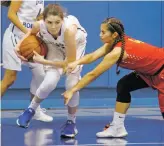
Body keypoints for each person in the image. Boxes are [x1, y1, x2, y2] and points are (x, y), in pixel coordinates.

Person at [63, 17, 164, 138]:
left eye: (103, 32)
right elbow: (92, 56)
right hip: (149, 72)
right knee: (124, 85)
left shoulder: (117, 52)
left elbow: (93, 74)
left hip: (161, 71)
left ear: (114, 34)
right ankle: (117, 127)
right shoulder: (113, 43)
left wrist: (72, 90)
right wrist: (75, 63)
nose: (100, 35)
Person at [16, 4, 87, 138]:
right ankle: (30, 110)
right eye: (49, 22)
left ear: (62, 19)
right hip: (54, 46)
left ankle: (71, 122)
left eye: (57, 22)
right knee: (49, 82)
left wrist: (43, 61)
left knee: (71, 85)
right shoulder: (39, 25)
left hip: (75, 48)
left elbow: (68, 63)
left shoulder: (69, 31)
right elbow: (29, 33)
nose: (53, 26)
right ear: (44, 20)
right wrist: (18, 47)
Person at [1, 0, 53, 122]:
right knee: (9, 79)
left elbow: (37, 16)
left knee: (40, 75)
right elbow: (11, 15)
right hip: (15, 38)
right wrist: (28, 33)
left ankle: (34, 109)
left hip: (31, 40)